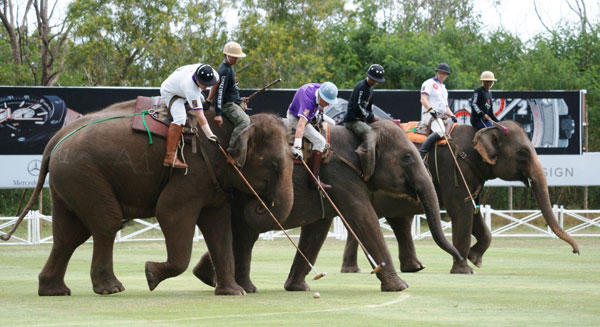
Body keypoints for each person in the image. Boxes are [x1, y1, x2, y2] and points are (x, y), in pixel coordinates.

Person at [160, 63, 219, 169]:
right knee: (180, 118)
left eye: (208, 84)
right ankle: (170, 156)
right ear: (196, 79)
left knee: (201, 99)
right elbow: (199, 115)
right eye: (204, 84)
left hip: (181, 84)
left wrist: (209, 100)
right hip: (171, 92)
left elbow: (217, 81)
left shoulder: (211, 72)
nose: (206, 87)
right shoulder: (190, 89)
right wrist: (209, 134)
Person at [288, 82, 338, 190]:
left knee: (333, 123)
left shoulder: (322, 88)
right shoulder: (308, 102)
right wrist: (297, 146)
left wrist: (320, 113)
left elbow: (319, 104)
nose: (328, 105)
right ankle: (313, 180)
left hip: (312, 112)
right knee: (320, 141)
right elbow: (301, 124)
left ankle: (319, 116)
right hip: (295, 117)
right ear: (320, 96)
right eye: (327, 102)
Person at [207, 41, 251, 154]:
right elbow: (220, 92)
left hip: (232, 102)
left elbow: (229, 91)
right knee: (244, 121)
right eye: (234, 57)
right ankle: (233, 150)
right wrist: (218, 114)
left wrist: (239, 100)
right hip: (227, 105)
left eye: (237, 57)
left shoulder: (230, 67)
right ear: (226, 55)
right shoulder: (225, 71)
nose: (236, 60)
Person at [418, 62, 457, 161]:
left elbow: (445, 107)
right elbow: (423, 99)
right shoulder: (429, 83)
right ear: (437, 72)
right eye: (440, 72)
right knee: (440, 131)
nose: (442, 75)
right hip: (429, 115)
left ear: (447, 75)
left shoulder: (444, 89)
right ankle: (421, 154)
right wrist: (431, 110)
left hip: (441, 116)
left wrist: (452, 115)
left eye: (444, 73)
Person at [344, 64, 385, 140]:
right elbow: (357, 107)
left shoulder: (371, 89)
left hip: (362, 120)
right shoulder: (361, 87)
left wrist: (372, 119)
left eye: (377, 81)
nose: (375, 82)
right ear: (369, 77)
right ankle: (364, 151)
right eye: (373, 80)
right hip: (353, 121)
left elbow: (368, 107)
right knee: (370, 133)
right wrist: (371, 116)